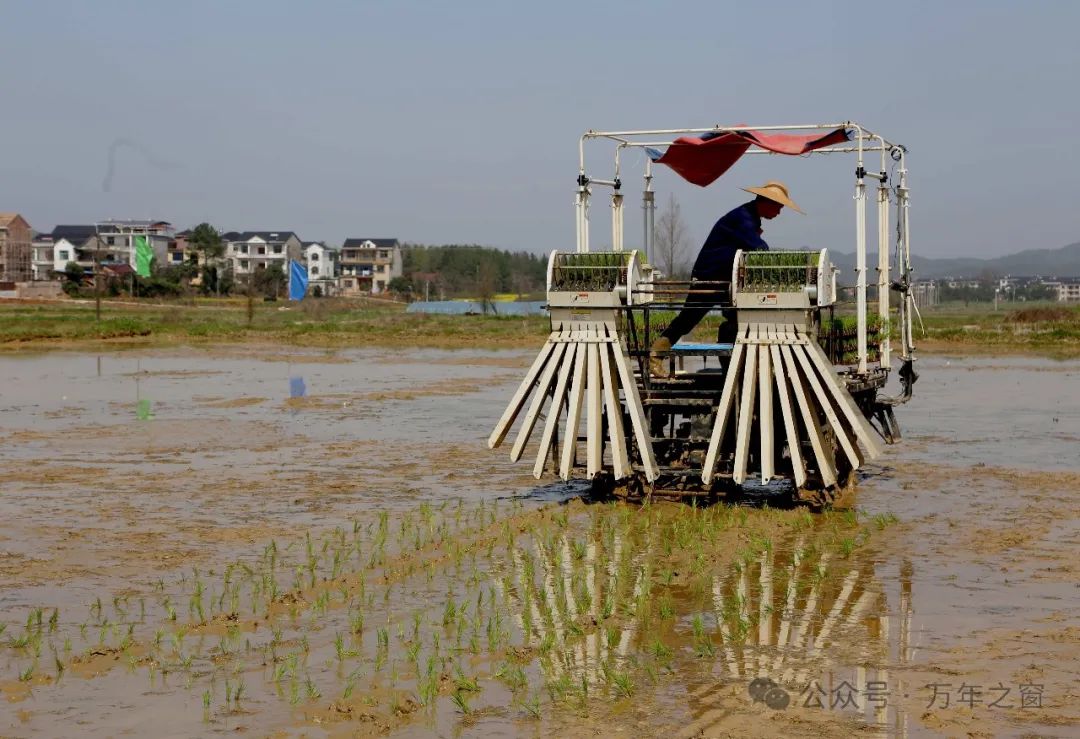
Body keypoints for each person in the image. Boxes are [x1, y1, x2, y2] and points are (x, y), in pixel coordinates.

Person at [649, 180, 802, 376]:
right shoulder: (743, 218)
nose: (779, 212)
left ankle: (732, 368)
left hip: (726, 280)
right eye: (779, 207)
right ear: (767, 202)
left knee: (734, 320)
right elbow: (759, 249)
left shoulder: (750, 218)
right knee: (688, 320)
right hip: (710, 277)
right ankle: (656, 355)